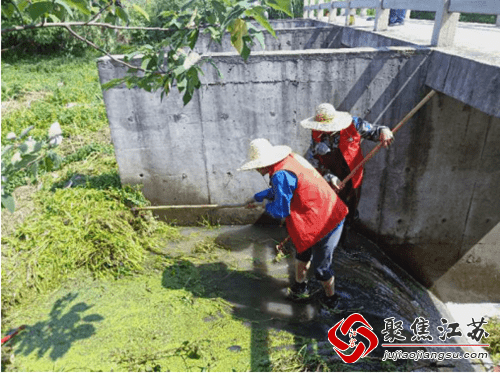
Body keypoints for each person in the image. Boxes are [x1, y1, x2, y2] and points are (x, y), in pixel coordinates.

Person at [238, 138, 348, 308]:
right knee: (302, 251)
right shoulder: (290, 159)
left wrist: (265, 205)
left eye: (256, 165)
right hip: (317, 209)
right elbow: (284, 189)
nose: (256, 169)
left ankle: (331, 299)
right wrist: (258, 197)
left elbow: (281, 210)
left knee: (321, 269)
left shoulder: (279, 175)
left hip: (327, 219)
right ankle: (300, 287)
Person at [301, 103, 394, 247]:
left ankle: (344, 241)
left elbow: (376, 130)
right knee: (329, 212)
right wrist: (329, 177)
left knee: (349, 211)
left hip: (353, 178)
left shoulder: (354, 125)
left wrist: (384, 131)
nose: (325, 131)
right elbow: (312, 160)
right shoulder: (316, 132)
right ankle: (328, 245)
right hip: (329, 179)